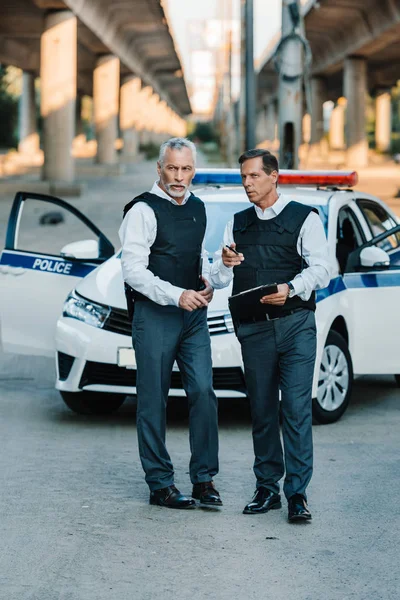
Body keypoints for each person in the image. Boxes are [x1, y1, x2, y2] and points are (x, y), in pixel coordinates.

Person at [119, 137, 232, 509]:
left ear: (193, 171)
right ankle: (160, 484)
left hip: (193, 317)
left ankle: (204, 480)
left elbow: (197, 258)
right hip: (155, 317)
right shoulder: (142, 211)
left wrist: (216, 274)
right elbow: (133, 272)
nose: (178, 176)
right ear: (159, 168)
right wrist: (176, 295)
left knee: (203, 392)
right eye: (172, 168)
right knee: (153, 399)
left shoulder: (198, 208)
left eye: (185, 169)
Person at [220, 149, 331, 522]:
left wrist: (291, 287)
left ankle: (297, 494)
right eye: (244, 177)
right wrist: (223, 263)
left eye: (254, 176)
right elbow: (221, 278)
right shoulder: (236, 224)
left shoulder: (305, 218)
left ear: (274, 177)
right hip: (254, 329)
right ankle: (266, 488)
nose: (247, 183)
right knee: (263, 411)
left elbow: (323, 269)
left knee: (296, 410)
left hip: (296, 324)